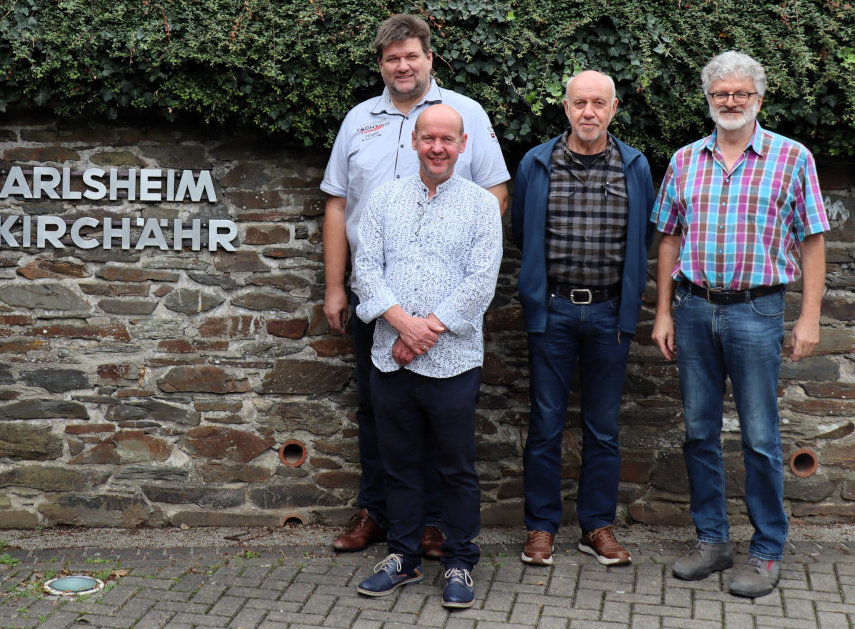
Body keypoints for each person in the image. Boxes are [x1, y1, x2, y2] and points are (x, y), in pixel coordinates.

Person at [321, 14, 510, 558]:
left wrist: (439, 310)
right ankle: (377, 513)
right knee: (377, 409)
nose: (402, 67)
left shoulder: (465, 114)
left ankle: (430, 523)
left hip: (446, 309)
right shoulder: (359, 120)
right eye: (391, 58)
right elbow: (338, 204)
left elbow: (495, 194)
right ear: (381, 65)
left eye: (412, 56)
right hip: (376, 299)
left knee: (440, 418)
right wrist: (339, 288)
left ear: (430, 57)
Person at [651, 51, 828, 598]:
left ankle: (767, 550)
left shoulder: (792, 158)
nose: (730, 102)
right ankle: (712, 541)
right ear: (708, 99)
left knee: (759, 436)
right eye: (720, 94)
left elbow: (813, 240)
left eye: (741, 94)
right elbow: (669, 239)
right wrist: (662, 311)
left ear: (759, 98)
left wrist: (810, 318)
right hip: (695, 308)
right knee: (699, 431)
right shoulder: (684, 160)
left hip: (758, 310)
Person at [351, 104, 502, 609]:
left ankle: (460, 560)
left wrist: (425, 330)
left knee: (456, 466)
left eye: (447, 139)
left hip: (454, 360)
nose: (437, 147)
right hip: (389, 357)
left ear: (462, 145)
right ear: (414, 142)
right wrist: (401, 324)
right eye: (428, 138)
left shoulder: (482, 205)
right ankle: (403, 556)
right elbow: (365, 270)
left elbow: (481, 282)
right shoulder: (384, 200)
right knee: (399, 465)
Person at [512, 71, 655, 567]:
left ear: (614, 109)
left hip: (610, 312)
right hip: (551, 310)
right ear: (565, 108)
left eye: (599, 103)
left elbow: (644, 240)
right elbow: (521, 233)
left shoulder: (634, 166)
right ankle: (541, 528)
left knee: (603, 427)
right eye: (579, 103)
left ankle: (596, 526)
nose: (588, 112)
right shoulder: (536, 162)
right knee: (546, 423)